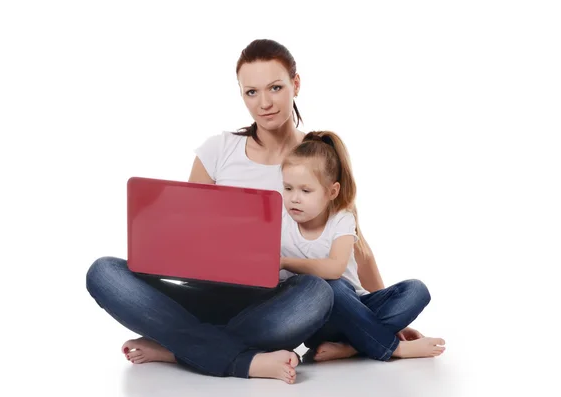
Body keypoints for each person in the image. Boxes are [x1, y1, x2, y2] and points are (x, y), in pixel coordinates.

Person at [86, 38, 337, 384]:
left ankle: (177, 348)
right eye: (251, 92)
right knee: (103, 272)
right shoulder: (218, 150)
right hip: (207, 291)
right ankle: (243, 361)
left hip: (271, 302)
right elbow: (189, 231)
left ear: (295, 84)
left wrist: (384, 316)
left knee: (318, 293)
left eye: (275, 88)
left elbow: (351, 240)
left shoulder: (320, 157)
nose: (264, 103)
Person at [278, 130, 446, 362]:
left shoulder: (341, 218)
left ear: (332, 192)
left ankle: (352, 347)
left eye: (305, 191)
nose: (294, 198)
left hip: (356, 305)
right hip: (317, 320)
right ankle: (393, 348)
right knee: (330, 289)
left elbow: (335, 268)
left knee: (416, 290)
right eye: (288, 188)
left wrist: (285, 262)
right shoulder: (280, 220)